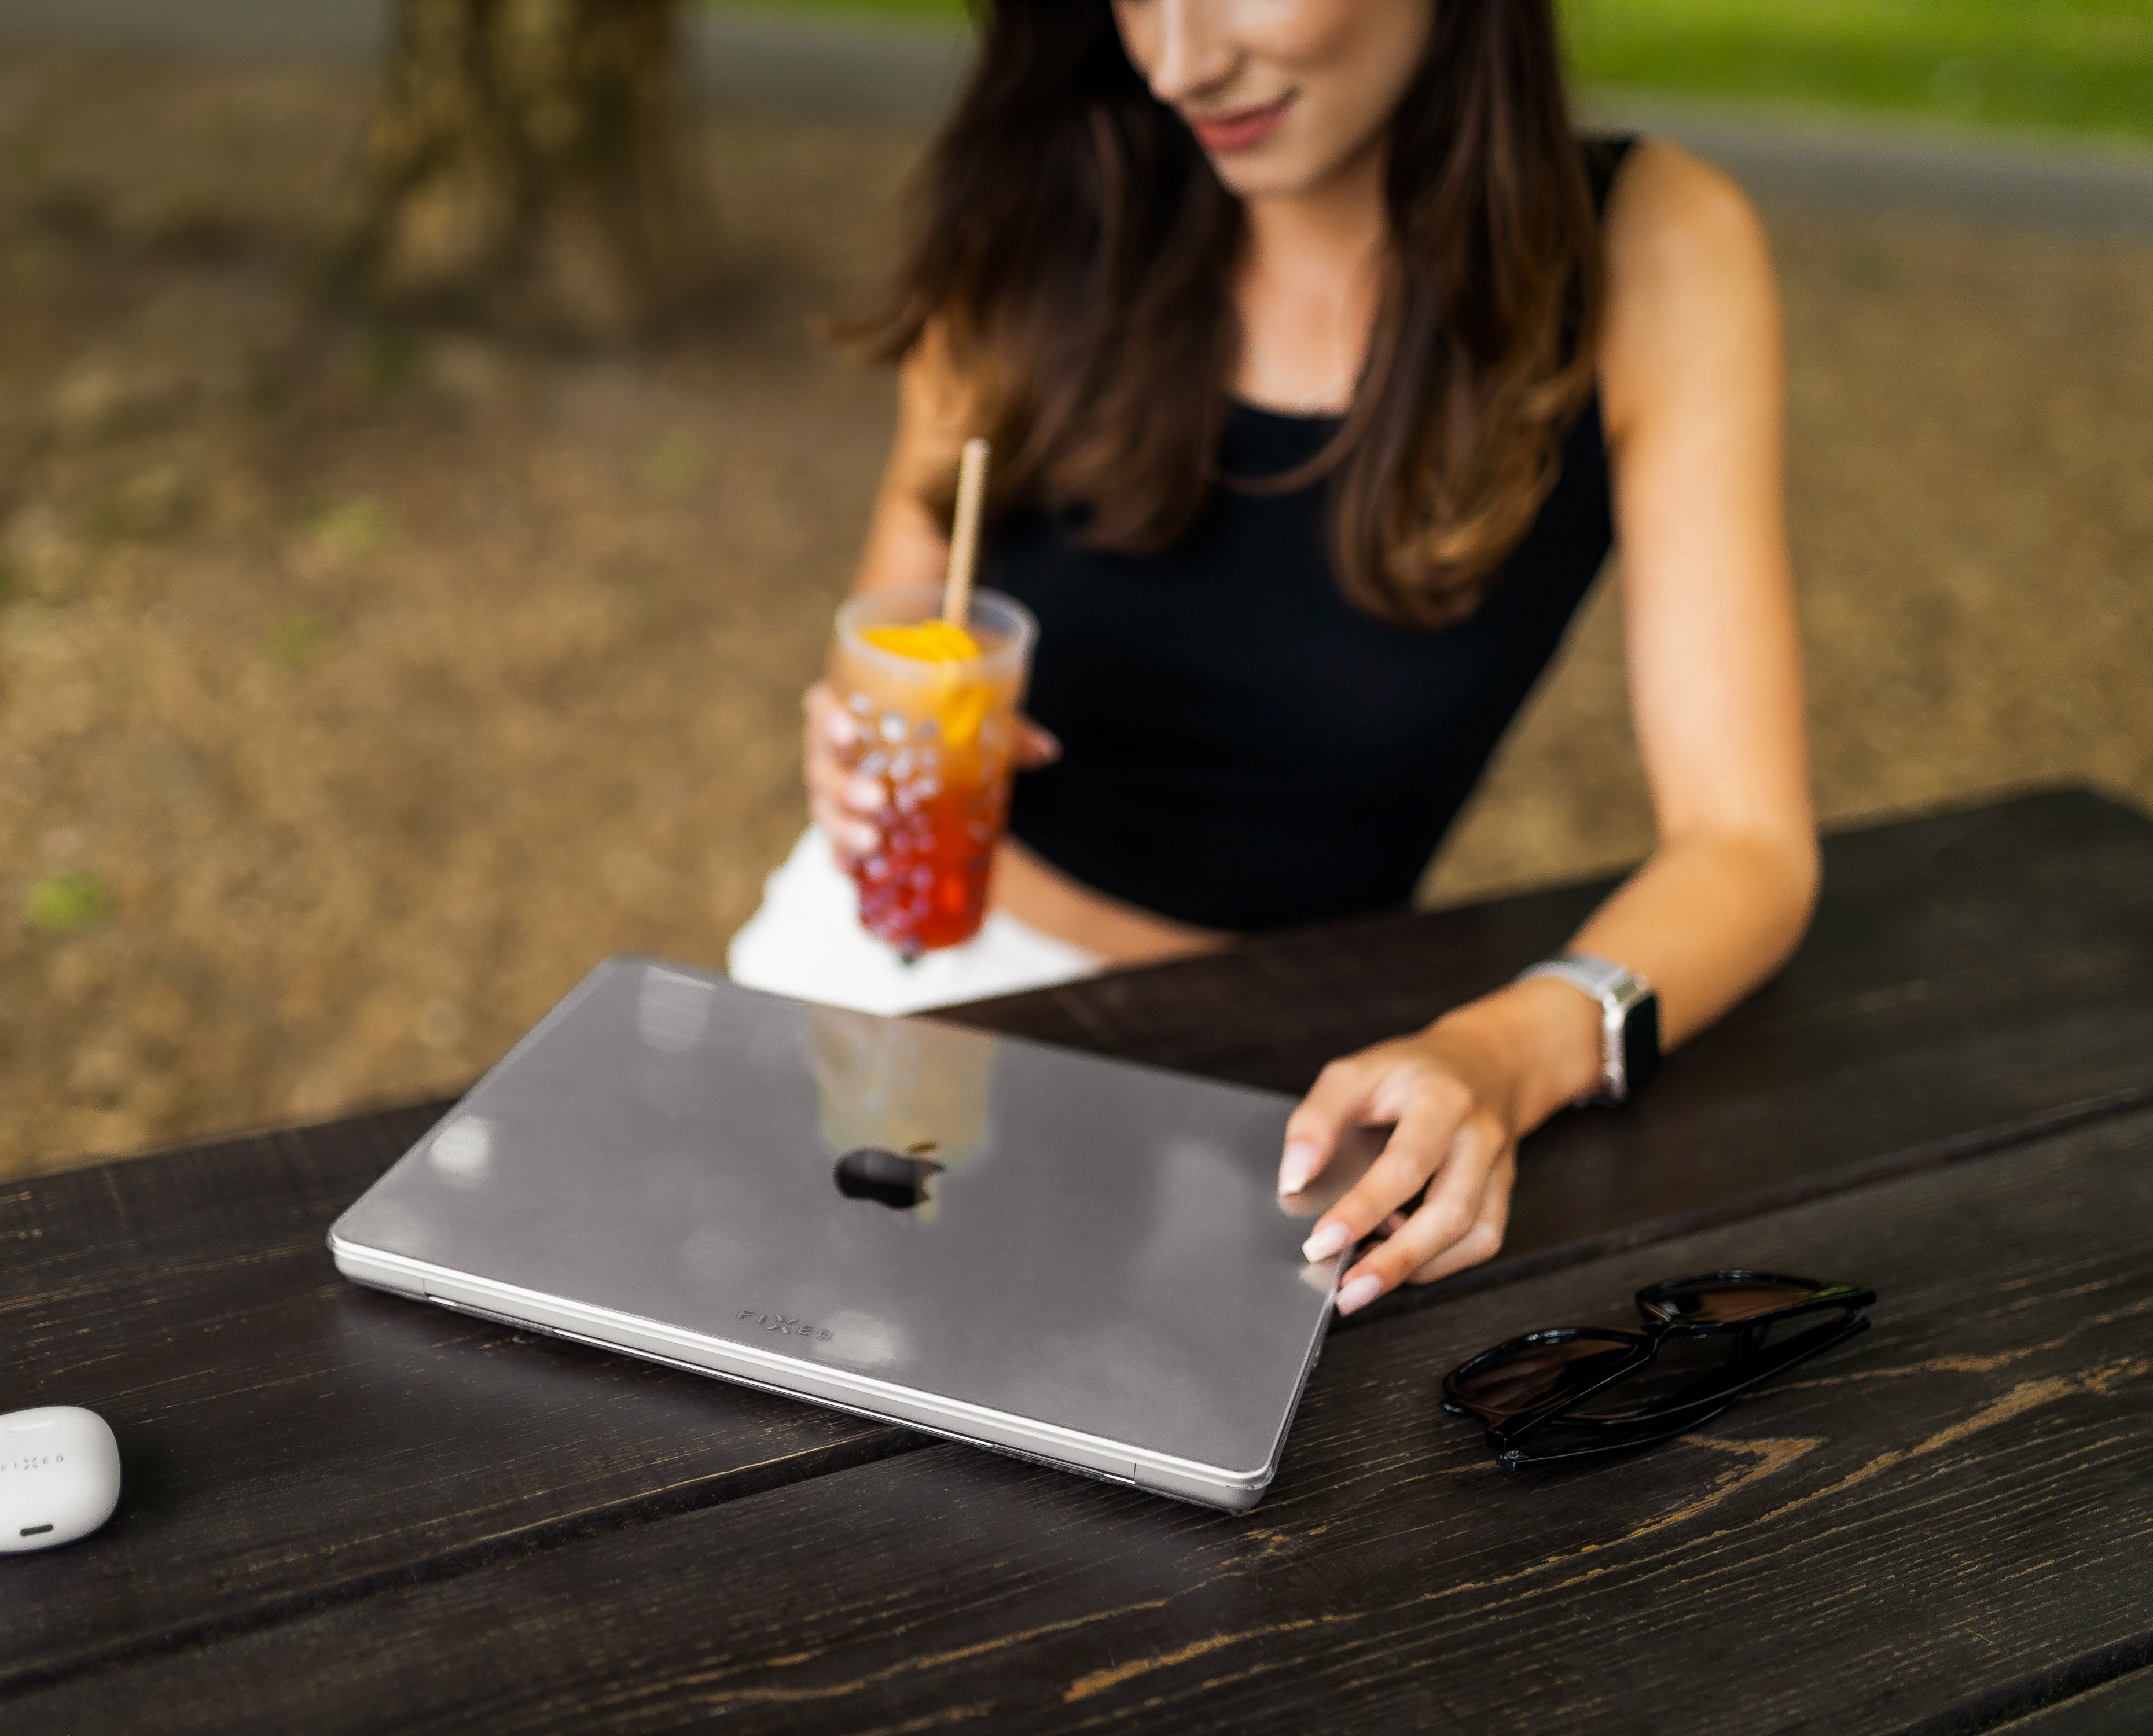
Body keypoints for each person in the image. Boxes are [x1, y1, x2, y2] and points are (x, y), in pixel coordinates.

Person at [727, 0, 1816, 1317]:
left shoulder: (1651, 251)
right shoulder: (1056, 177)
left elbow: (1746, 848)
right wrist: (856, 739)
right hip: (868, 977)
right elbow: (898, 612)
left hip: (1275, 1076)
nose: (1178, 64)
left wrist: (1506, 1050)